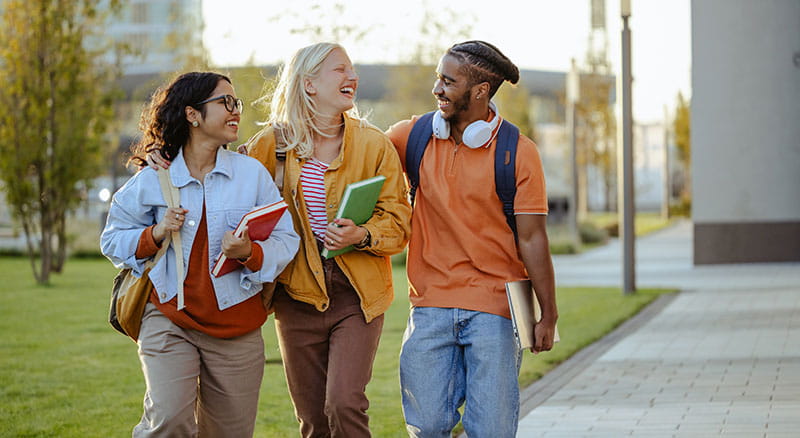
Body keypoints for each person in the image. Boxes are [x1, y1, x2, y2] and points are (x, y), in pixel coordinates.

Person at [147, 43, 412, 437]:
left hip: (356, 295)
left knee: (344, 403)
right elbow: (217, 168)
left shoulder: (373, 145)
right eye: (340, 70)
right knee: (312, 419)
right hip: (295, 295)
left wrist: (364, 233)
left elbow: (399, 221)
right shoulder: (269, 146)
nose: (352, 77)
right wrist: (165, 155)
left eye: (352, 69)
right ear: (308, 84)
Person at [101, 71, 300, 437]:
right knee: (169, 422)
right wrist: (155, 234)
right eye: (224, 103)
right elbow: (112, 239)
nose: (235, 110)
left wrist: (251, 253)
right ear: (193, 115)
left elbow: (287, 240)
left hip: (237, 328)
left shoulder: (250, 175)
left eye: (235, 103)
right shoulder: (154, 176)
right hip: (168, 318)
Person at [385, 40, 558, 437]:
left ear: (480, 91)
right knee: (426, 426)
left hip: (495, 309)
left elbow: (533, 239)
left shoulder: (518, 152)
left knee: (492, 430)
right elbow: (359, 152)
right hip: (430, 306)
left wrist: (548, 313)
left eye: (449, 81)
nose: (437, 88)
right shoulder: (412, 137)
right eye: (438, 78)